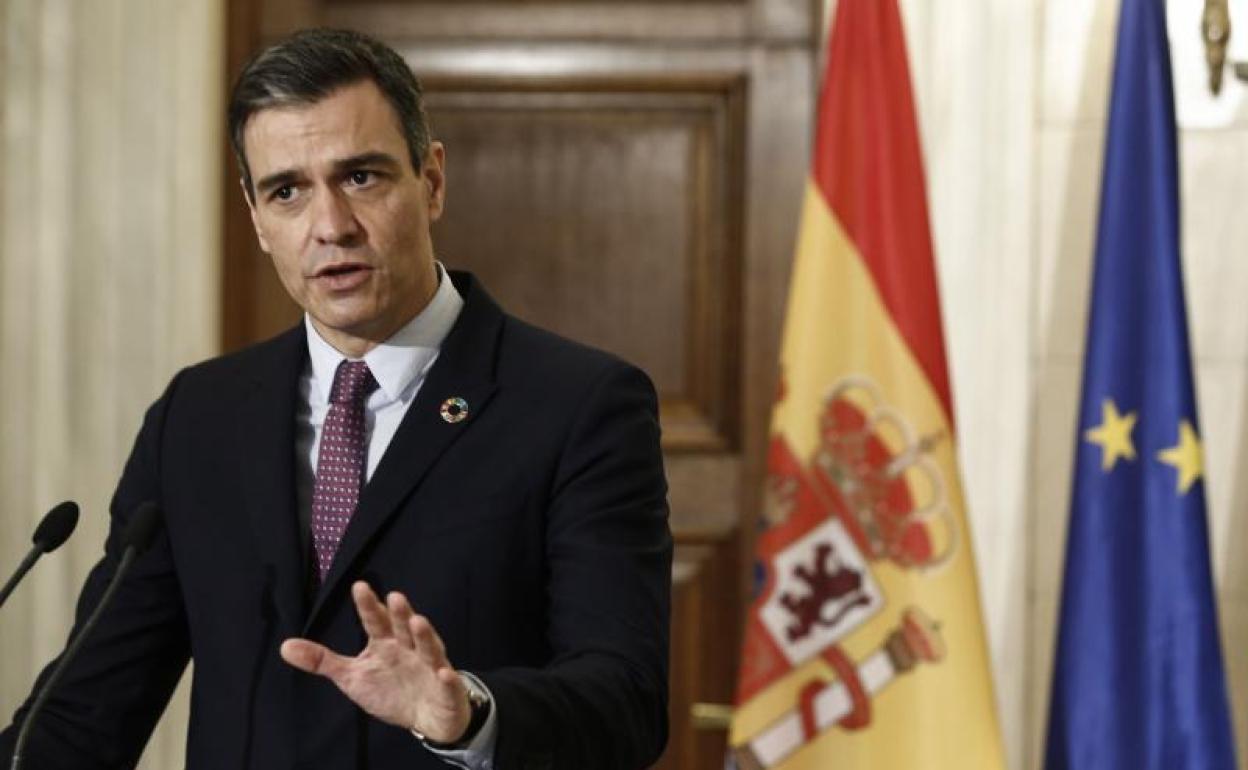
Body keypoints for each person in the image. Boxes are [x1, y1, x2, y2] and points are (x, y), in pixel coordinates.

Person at [0, 28, 671, 770]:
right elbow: (85, 713)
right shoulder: (198, 418)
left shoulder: (578, 407)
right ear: (256, 217)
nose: (330, 227)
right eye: (287, 191)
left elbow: (626, 703)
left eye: (360, 177)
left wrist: (471, 713)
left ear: (432, 181)